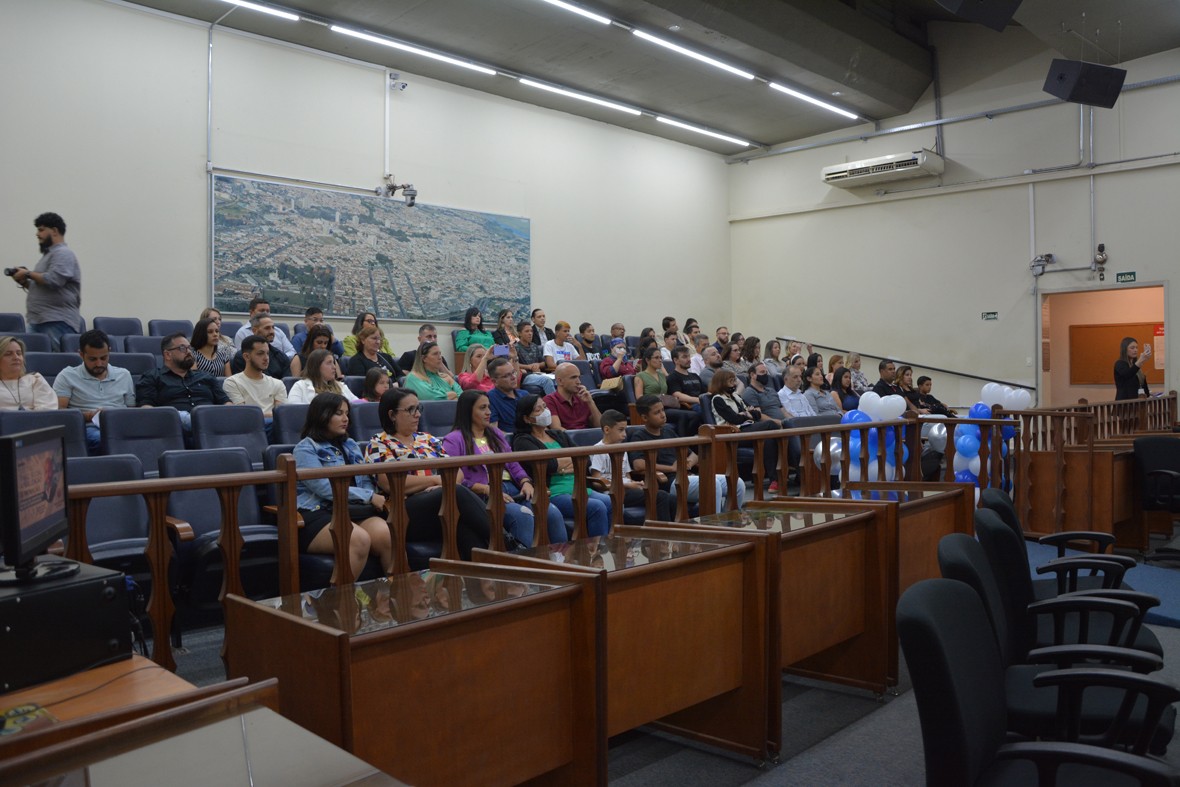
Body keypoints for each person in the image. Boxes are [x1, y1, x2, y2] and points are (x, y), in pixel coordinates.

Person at [363, 388, 492, 560]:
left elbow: (457, 472)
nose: (418, 414)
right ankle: (504, 540)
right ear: (392, 415)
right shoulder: (379, 443)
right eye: (411, 409)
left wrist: (441, 487)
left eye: (419, 408)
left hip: (439, 506)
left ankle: (488, 571)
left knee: (463, 525)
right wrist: (436, 481)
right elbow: (389, 482)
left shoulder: (428, 439)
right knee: (456, 492)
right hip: (403, 512)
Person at [441, 389, 565, 547]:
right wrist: (485, 489)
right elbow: (453, 480)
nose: (488, 412)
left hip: (514, 490)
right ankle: (522, 563)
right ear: (468, 411)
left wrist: (526, 481)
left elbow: (513, 463)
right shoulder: (453, 439)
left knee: (552, 513)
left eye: (489, 407)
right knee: (523, 516)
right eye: (482, 408)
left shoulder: (495, 433)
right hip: (484, 495)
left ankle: (563, 559)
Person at [294, 392, 394, 581]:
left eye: (347, 413)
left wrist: (371, 495)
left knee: (387, 535)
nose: (346, 418)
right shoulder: (305, 448)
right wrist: (368, 496)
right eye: (338, 413)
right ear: (322, 415)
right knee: (358, 539)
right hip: (319, 514)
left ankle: (394, 595)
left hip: (353, 510)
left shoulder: (350, 444)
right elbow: (324, 487)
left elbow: (364, 479)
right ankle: (339, 598)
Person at [512, 394, 611, 537]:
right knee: (597, 507)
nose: (545, 412)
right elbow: (549, 465)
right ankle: (595, 548)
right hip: (553, 492)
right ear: (527, 419)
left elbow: (584, 459)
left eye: (545, 407)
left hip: (578, 487)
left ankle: (610, 544)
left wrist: (560, 466)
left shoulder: (558, 434)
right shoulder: (522, 440)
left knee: (610, 501)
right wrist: (568, 462)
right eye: (538, 410)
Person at [627, 395, 743, 511]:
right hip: (669, 482)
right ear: (645, 417)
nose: (663, 415)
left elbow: (693, 455)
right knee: (712, 484)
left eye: (663, 410)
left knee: (737, 483)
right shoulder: (639, 436)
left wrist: (688, 463)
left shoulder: (668, 431)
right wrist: (671, 468)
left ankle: (729, 519)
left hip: (686, 476)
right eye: (657, 412)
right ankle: (713, 522)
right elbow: (638, 465)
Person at [8, 213, 82, 351]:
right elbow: (43, 287)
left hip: (56, 321)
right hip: (39, 321)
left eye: (41, 230)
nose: (37, 234)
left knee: (58, 362)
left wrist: (27, 273)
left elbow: (54, 280)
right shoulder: (49, 256)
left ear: (54, 231)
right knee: (31, 361)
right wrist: (24, 282)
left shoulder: (63, 253)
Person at [52, 329, 136, 451]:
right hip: (87, 427)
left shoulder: (124, 375)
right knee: (103, 439)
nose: (99, 363)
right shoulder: (67, 375)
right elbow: (59, 413)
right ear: (81, 355)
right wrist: (89, 416)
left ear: (109, 352)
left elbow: (131, 411)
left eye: (103, 358)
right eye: (93, 359)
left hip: (120, 426)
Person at [589, 409, 674, 522]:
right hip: (613, 492)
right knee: (661, 496)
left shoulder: (621, 448)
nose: (625, 434)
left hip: (627, 489)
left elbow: (627, 475)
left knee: (672, 499)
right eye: (621, 430)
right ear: (607, 429)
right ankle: (663, 531)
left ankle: (673, 528)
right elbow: (596, 481)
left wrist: (635, 483)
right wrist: (627, 485)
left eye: (625, 430)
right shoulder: (598, 450)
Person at [136, 333, 229, 429]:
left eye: (189, 348)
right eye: (182, 348)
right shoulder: (152, 377)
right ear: (168, 355)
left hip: (212, 428)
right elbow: (146, 408)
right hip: (173, 429)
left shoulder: (206, 376)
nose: (188, 352)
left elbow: (226, 402)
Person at [709, 369, 781, 490]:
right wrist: (747, 414)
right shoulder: (718, 399)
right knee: (770, 424)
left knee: (769, 439)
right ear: (721, 383)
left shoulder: (736, 396)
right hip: (733, 433)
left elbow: (757, 414)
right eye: (731, 381)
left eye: (734, 380)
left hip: (748, 428)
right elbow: (734, 419)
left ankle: (775, 480)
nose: (734, 384)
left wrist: (746, 414)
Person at [635, 346, 699, 437]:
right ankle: (681, 442)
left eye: (661, 358)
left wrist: (663, 369)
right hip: (653, 408)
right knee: (683, 416)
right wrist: (655, 398)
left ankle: (690, 442)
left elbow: (669, 386)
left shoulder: (662, 375)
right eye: (656, 358)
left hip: (666, 406)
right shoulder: (640, 376)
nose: (660, 360)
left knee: (695, 415)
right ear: (647, 360)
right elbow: (639, 397)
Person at [223, 335, 288, 420]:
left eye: (267, 353)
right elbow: (243, 414)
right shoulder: (232, 382)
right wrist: (272, 415)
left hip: (274, 426)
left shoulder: (277, 383)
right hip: (248, 426)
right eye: (260, 353)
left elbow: (282, 415)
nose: (266, 358)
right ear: (246, 356)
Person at [0, 336, 57, 411]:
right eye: (8, 354)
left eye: (19, 353)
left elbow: (47, 411)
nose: (16, 357)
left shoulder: (35, 380)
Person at [230, 315, 292, 380]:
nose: (272, 331)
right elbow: (241, 382)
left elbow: (286, 383)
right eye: (267, 328)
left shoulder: (281, 356)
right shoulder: (243, 357)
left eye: (273, 328)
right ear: (254, 330)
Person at [287, 348, 357, 404]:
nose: (334, 367)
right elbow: (294, 411)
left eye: (333, 363)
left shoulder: (341, 386)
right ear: (316, 366)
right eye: (329, 363)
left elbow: (357, 404)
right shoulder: (300, 386)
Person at [545, 362, 601, 429]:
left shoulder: (582, 398)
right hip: (568, 435)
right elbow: (557, 429)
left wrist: (590, 402)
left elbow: (599, 426)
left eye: (579, 377)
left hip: (588, 434)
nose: (579, 382)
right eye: (573, 377)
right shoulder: (550, 400)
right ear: (560, 381)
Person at [486, 356, 526, 430]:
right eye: (507, 375)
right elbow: (494, 430)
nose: (513, 377)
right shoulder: (489, 399)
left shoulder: (525, 394)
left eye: (513, 372)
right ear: (494, 381)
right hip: (510, 436)